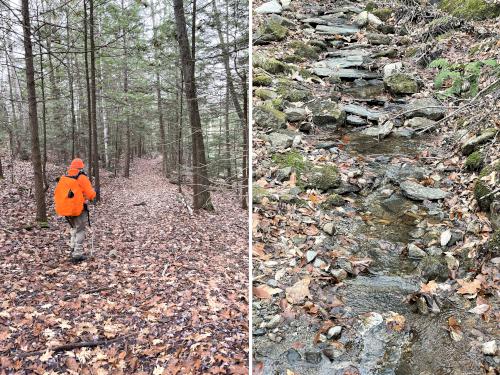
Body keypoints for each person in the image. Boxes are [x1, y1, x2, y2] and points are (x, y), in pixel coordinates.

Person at [55, 158, 96, 262]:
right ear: (81, 167)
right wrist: (92, 196)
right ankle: (77, 253)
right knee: (80, 229)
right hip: (78, 209)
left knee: (74, 228)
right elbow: (90, 194)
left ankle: (73, 249)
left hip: (66, 209)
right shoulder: (82, 178)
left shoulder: (64, 177)